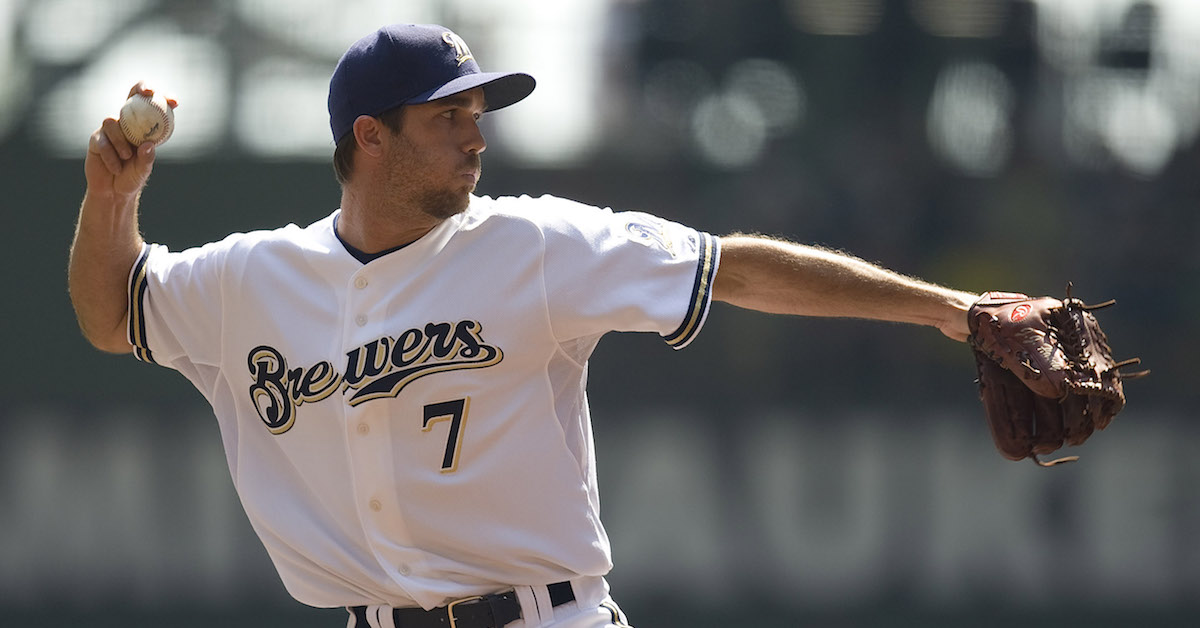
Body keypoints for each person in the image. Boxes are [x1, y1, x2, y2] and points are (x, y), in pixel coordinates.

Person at [70, 23, 977, 628]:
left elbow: (729, 266)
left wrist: (949, 309)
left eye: (478, 114)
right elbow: (112, 317)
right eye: (448, 115)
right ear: (369, 137)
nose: (477, 135)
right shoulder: (250, 280)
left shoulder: (535, 243)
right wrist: (112, 202)